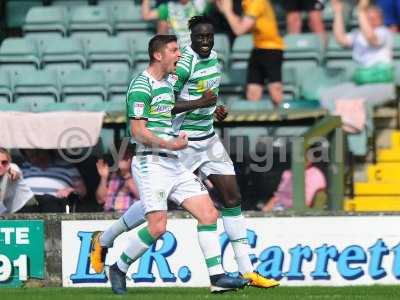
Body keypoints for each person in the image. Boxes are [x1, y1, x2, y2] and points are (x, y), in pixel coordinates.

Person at [91, 16, 279, 289]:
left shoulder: (182, 72)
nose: (181, 54)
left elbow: (180, 101)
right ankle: (112, 252)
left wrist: (211, 108)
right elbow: (141, 128)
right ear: (161, 54)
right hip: (167, 151)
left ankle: (227, 277)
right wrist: (192, 113)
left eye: (208, 36)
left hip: (199, 143)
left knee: (217, 208)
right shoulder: (152, 82)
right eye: (175, 50)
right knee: (156, 219)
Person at [320, 0, 395, 155]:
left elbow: (371, 38)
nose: (369, 21)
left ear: (380, 19)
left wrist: (361, 10)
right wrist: (339, 12)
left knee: (350, 99)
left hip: (381, 82)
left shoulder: (384, 33)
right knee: (327, 96)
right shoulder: (358, 34)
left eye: (372, 18)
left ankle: (359, 143)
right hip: (361, 81)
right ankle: (332, 136)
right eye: (368, 18)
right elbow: (340, 38)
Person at [216, 0, 284, 105]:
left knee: (275, 90)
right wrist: (225, 9)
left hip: (272, 49)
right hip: (258, 49)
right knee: (252, 93)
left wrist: (228, 11)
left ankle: (283, 119)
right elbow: (241, 22)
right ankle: (255, 121)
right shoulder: (247, 2)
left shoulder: (256, 2)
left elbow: (239, 30)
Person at [20, 149, 87, 212]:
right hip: (29, 204)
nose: (35, 158)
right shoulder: (25, 166)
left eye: (38, 153)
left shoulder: (67, 166)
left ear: (47, 150)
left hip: (55, 203)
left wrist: (71, 190)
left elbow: (82, 190)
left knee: (49, 201)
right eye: (31, 156)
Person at [142, 0, 212, 47]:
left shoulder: (199, 5)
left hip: (196, 48)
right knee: (162, 25)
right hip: (176, 49)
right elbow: (146, 16)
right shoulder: (168, 7)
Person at [261, 165, 327, 212]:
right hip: (279, 208)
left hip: (294, 214)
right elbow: (279, 195)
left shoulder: (315, 174)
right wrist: (267, 208)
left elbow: (306, 202)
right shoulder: (287, 173)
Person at [95, 149, 140, 213]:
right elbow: (100, 199)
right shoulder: (112, 177)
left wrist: (126, 174)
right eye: (120, 157)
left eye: (126, 157)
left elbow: (142, 197)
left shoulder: (138, 175)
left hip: (128, 217)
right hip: (108, 217)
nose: (122, 160)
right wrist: (104, 177)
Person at [0, 148, 34, 214]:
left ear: (9, 163)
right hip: (10, 211)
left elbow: (15, 174)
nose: (0, 165)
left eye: (4, 162)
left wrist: (12, 173)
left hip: (28, 206)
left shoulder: (13, 167)